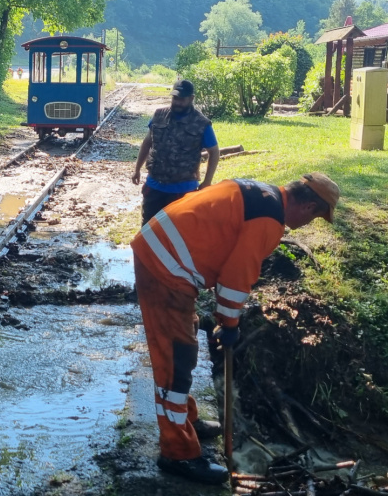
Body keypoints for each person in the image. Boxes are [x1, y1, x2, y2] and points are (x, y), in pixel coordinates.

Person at [130, 173, 340, 485]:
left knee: (182, 351)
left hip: (165, 255)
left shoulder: (262, 192)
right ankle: (177, 453)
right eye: (316, 217)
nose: (311, 223)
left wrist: (227, 320)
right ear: (309, 207)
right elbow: (235, 279)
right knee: (175, 362)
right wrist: (229, 324)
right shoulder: (269, 221)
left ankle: (186, 420)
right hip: (166, 268)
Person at [132, 79, 220, 225]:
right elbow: (148, 142)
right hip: (154, 186)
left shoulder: (201, 123)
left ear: (191, 99)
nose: (177, 102)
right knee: (149, 230)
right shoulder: (159, 115)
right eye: (175, 98)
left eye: (182, 99)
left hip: (184, 190)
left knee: (180, 232)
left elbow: (214, 152)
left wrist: (207, 182)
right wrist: (137, 169)